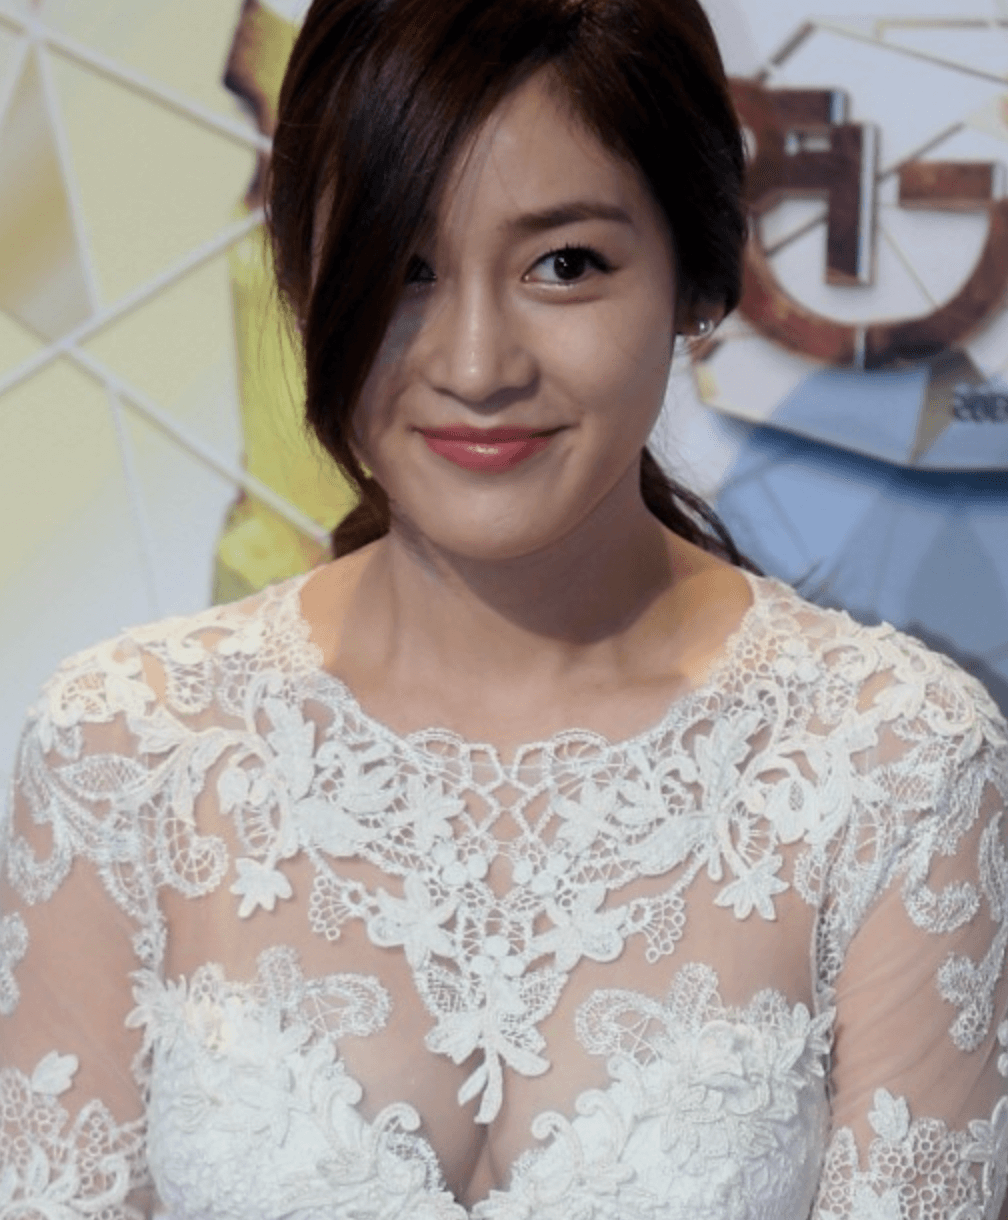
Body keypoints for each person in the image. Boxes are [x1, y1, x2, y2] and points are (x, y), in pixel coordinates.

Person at [2, 0, 1007, 1215]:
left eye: (564, 264)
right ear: (303, 279)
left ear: (698, 276)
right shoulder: (125, 750)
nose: (476, 364)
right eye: (403, 265)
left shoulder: (893, 763)